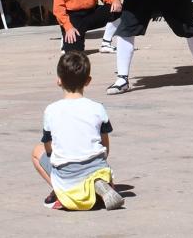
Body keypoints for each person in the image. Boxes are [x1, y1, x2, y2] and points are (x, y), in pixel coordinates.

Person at [30, 51, 124, 211]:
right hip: (97, 166)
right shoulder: (97, 108)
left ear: (58, 81)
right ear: (88, 81)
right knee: (97, 159)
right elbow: (105, 146)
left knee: (36, 152)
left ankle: (61, 191)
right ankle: (101, 183)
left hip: (68, 174)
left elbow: (47, 147)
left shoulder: (51, 110)